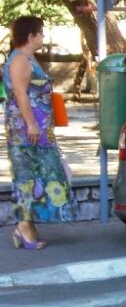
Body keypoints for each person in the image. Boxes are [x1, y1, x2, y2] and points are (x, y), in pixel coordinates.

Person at [3, 16, 78, 249]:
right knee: (28, 176)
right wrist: (32, 124)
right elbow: (21, 94)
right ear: (31, 36)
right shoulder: (20, 61)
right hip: (27, 132)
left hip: (37, 130)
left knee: (39, 176)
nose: (43, 37)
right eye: (41, 33)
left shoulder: (27, 58)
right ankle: (23, 226)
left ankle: (27, 224)